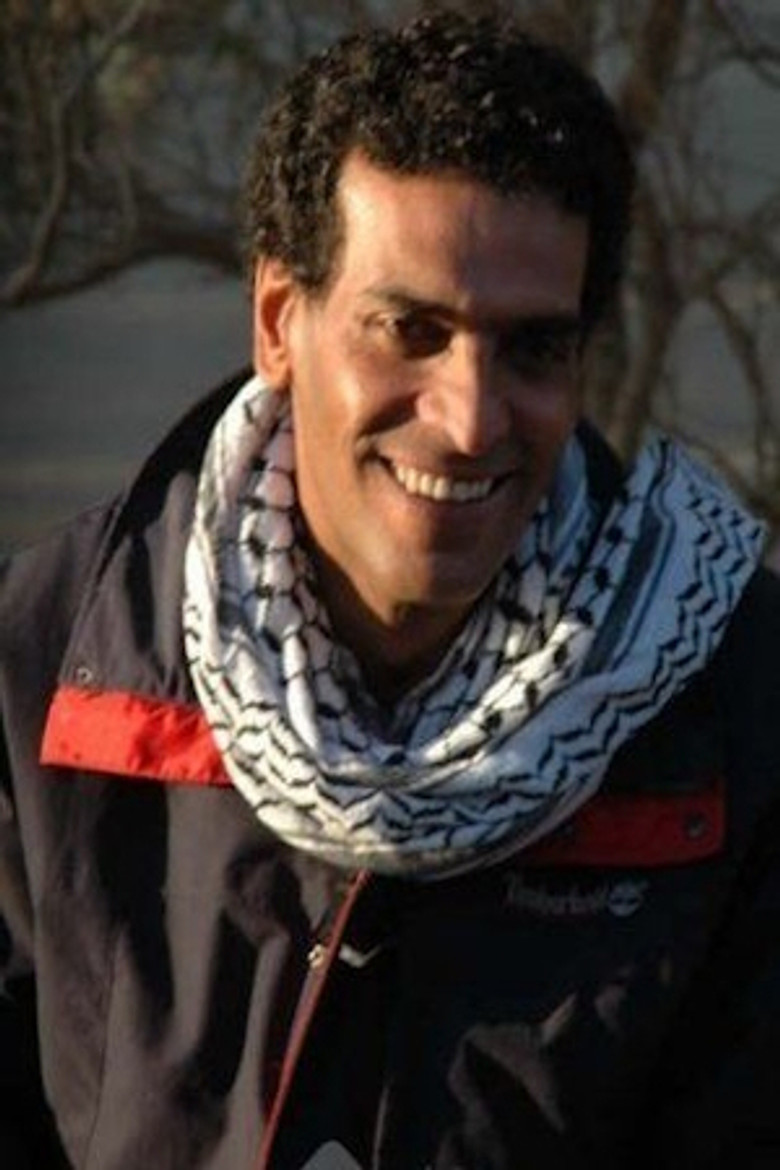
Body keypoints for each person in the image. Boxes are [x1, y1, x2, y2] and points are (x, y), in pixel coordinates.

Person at [1, 9, 779, 1169]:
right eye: (409, 330)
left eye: (533, 348)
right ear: (281, 321)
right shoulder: (45, 670)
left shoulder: (735, 716)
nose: (469, 420)